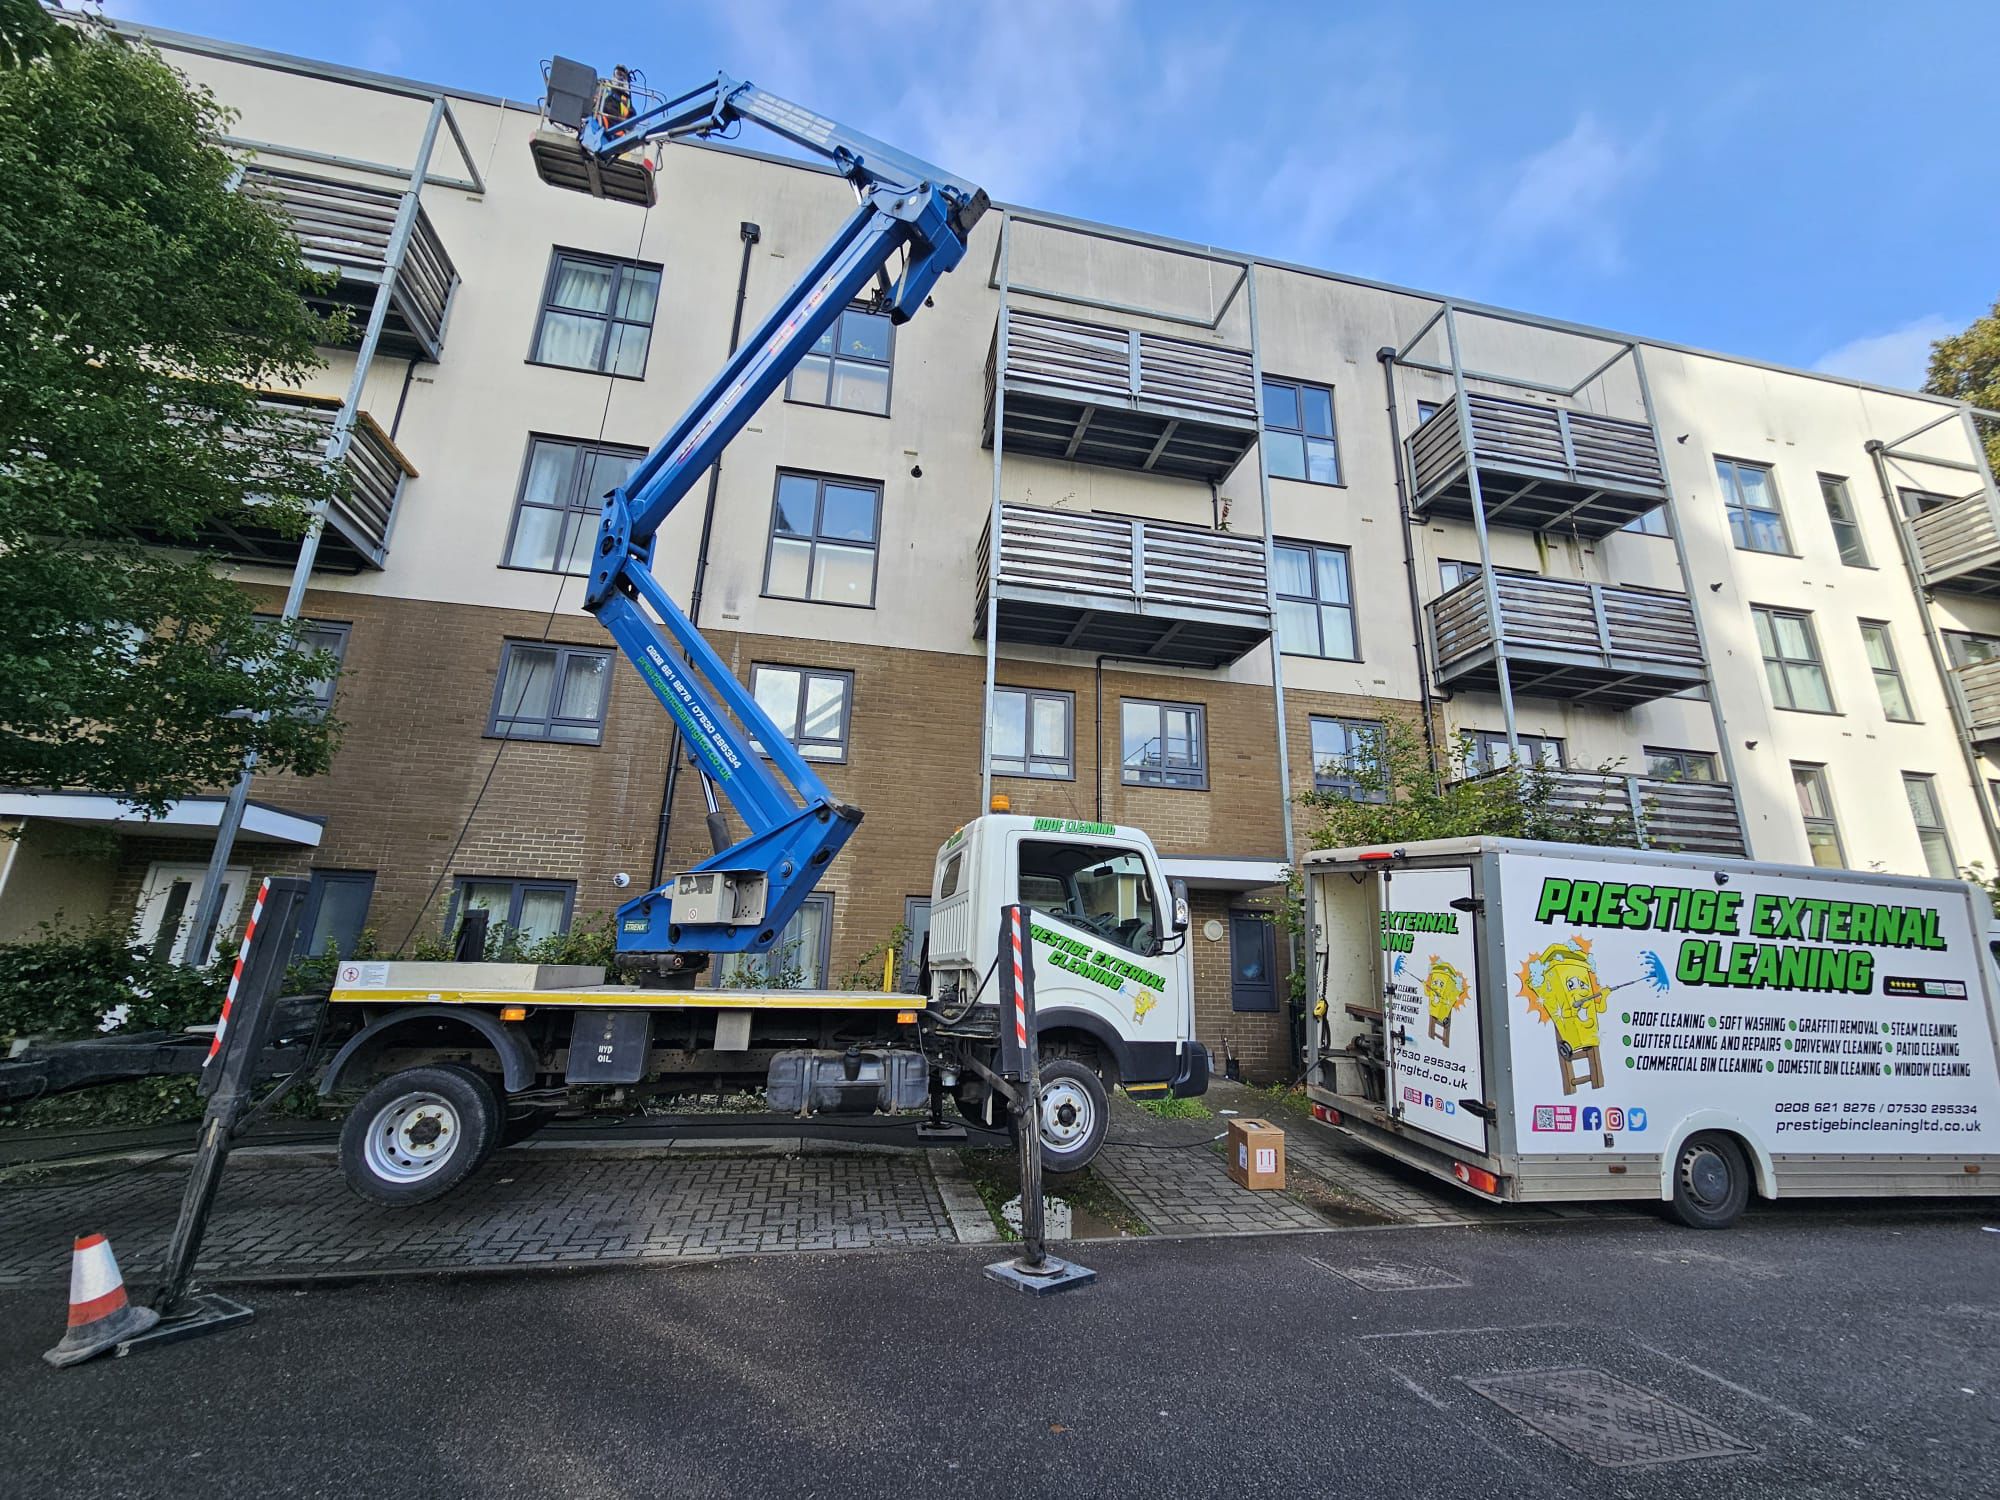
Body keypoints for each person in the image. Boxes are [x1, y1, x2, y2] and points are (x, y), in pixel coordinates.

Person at [597, 65, 634, 133]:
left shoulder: (626, 99)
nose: (620, 78)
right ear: (614, 75)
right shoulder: (605, 86)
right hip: (602, 125)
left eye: (623, 76)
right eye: (618, 74)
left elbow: (633, 117)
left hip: (619, 130)